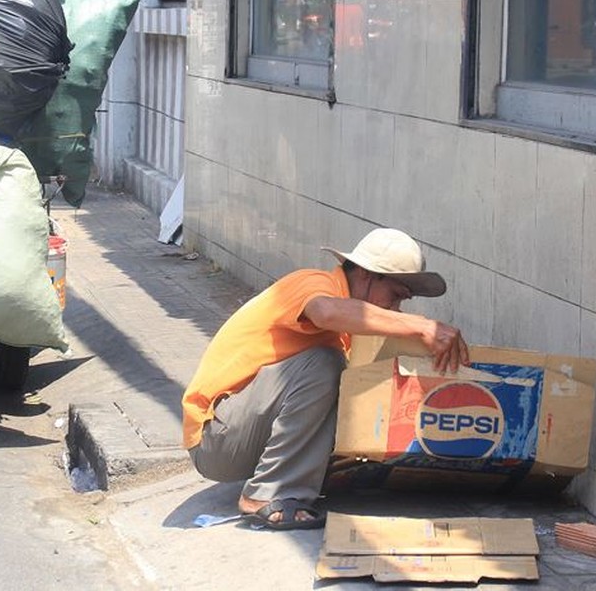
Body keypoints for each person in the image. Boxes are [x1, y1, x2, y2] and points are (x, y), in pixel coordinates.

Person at [182, 227, 469, 531]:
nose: (396, 309)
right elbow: (325, 312)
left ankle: (293, 481)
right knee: (324, 363)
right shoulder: (314, 284)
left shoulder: (346, 331)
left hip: (241, 436)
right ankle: (265, 496)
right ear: (365, 274)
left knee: (351, 385)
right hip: (215, 440)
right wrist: (419, 326)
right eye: (395, 296)